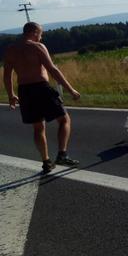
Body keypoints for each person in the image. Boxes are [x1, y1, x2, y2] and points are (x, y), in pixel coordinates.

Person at [3, 22, 81, 173]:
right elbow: (52, 69)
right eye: (40, 33)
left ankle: (46, 161)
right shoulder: (38, 46)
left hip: (25, 91)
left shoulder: (11, 50)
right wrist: (70, 89)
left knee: (38, 128)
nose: (41, 36)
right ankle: (62, 154)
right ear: (34, 32)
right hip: (41, 88)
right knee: (64, 119)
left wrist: (11, 95)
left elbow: (7, 75)